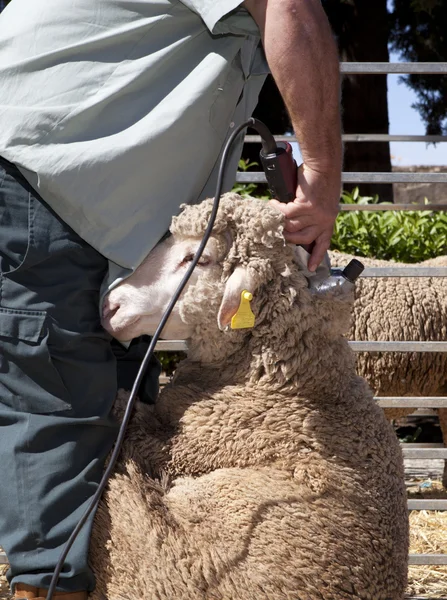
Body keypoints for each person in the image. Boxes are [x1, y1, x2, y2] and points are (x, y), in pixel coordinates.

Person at [0, 0, 342, 598]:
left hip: (109, 210)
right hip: (49, 179)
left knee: (122, 421)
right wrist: (321, 172)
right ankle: (49, 585)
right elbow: (290, 7)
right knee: (58, 410)